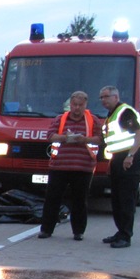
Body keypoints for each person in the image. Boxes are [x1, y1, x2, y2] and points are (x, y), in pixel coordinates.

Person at [37, 91, 99, 241]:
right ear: (70, 104)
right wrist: (66, 138)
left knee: (79, 201)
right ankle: (46, 229)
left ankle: (78, 231)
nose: (77, 108)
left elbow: (100, 139)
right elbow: (50, 136)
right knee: (52, 199)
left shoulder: (93, 120)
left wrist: (83, 139)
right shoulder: (60, 119)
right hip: (59, 167)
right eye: (74, 105)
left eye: (80, 105)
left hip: (83, 167)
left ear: (86, 105)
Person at [99, 85, 140, 248]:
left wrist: (130, 156)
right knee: (117, 199)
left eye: (106, 97)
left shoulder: (124, 112)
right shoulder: (111, 115)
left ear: (115, 97)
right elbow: (111, 143)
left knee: (126, 199)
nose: (103, 100)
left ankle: (126, 236)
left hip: (129, 159)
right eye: (101, 97)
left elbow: (139, 134)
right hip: (118, 159)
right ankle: (120, 232)